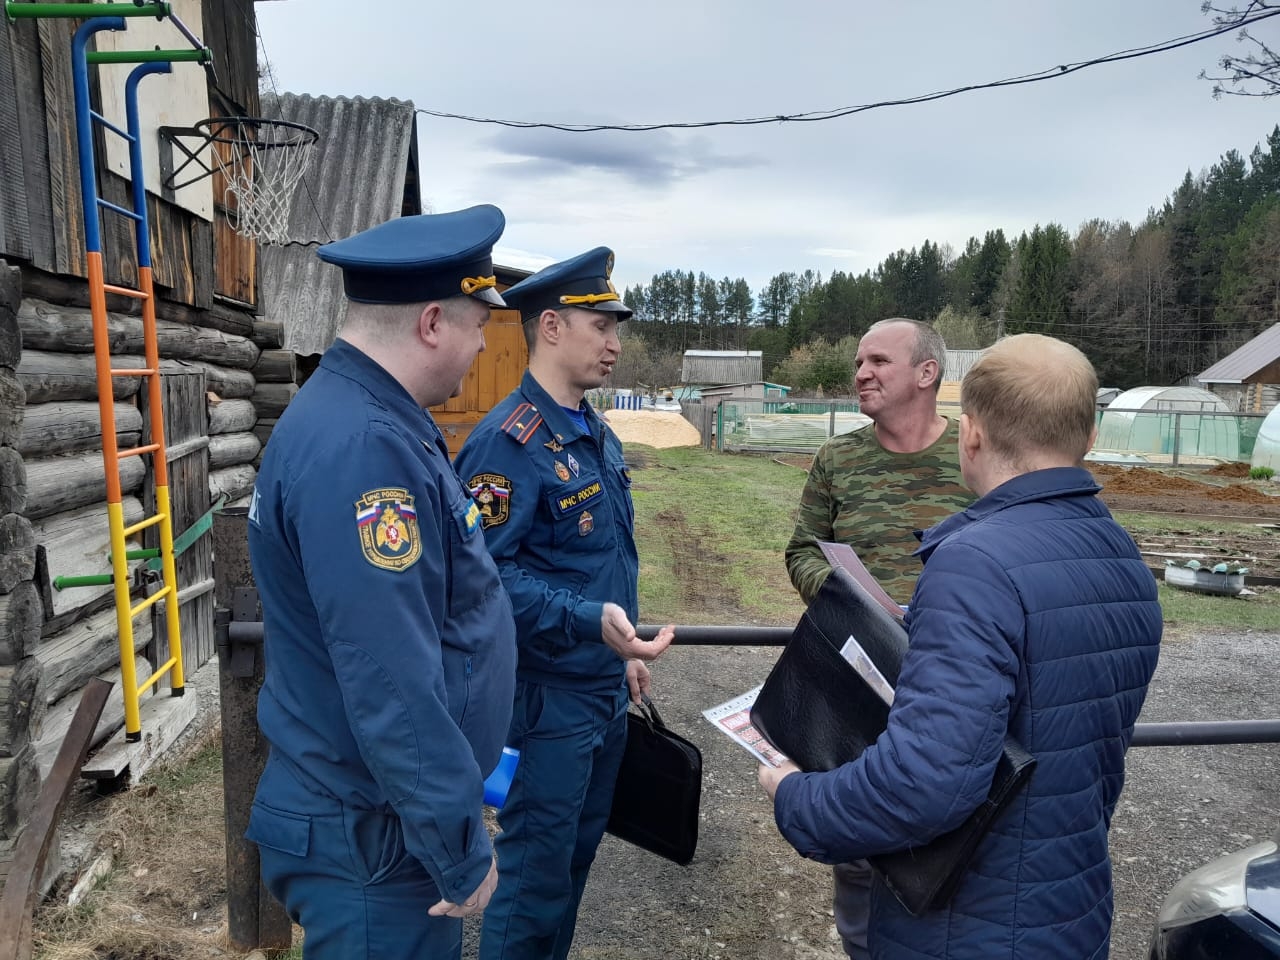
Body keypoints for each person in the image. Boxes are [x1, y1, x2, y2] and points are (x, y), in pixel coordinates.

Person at [760, 334, 1163, 959]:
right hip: (1068, 911)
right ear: (1087, 436)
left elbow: (926, 784)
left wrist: (797, 796)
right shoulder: (1121, 555)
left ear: (970, 435)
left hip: (969, 925)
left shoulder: (973, 563)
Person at [245, 206, 519, 960]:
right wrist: (459, 845)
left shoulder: (366, 417)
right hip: (373, 840)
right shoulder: (365, 447)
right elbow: (389, 676)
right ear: (433, 321)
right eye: (478, 327)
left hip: (375, 820)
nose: (480, 348)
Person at [454, 247, 675, 960]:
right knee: (532, 881)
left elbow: (602, 560)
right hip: (547, 701)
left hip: (601, 689)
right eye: (601, 326)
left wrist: (622, 655)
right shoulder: (507, 442)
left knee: (572, 867)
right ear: (551, 326)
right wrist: (588, 621)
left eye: (617, 329)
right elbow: (483, 578)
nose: (616, 344)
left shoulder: (591, 430)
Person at [783, 317, 974, 958]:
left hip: (959, 680)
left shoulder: (973, 456)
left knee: (955, 834)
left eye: (879, 361)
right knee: (861, 848)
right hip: (863, 680)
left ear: (927, 373)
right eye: (859, 361)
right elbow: (801, 551)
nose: (861, 373)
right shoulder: (838, 458)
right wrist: (851, 604)